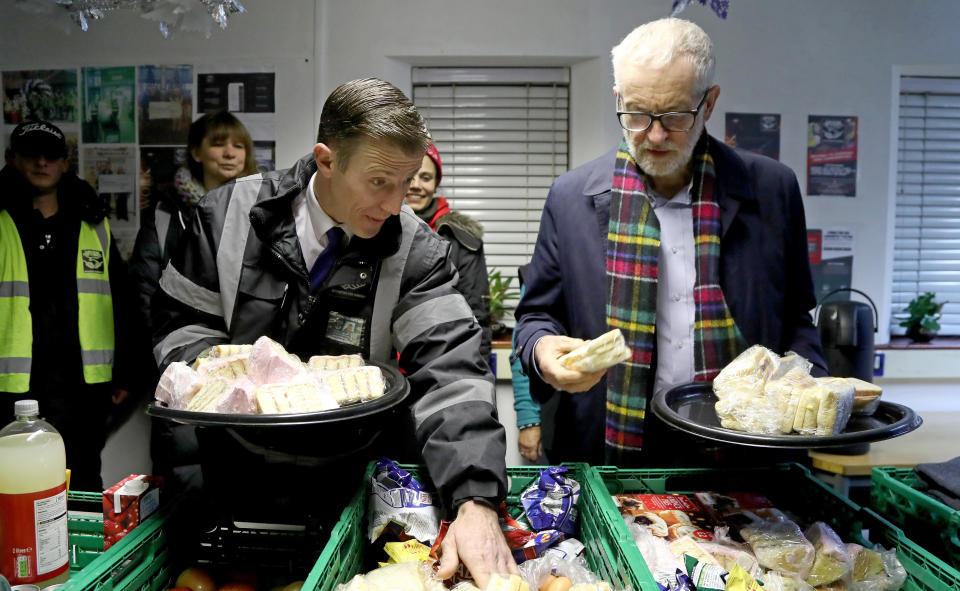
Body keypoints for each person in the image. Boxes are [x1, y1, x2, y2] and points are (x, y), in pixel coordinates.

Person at [151, 78, 516, 585]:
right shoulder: (226, 216)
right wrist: (236, 386)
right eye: (379, 182)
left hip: (352, 485)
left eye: (406, 181)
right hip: (230, 481)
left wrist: (475, 500)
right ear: (326, 160)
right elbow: (178, 327)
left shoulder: (417, 249)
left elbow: (452, 373)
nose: (395, 205)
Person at [513, 18, 826, 467]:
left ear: (709, 103)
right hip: (611, 442)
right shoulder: (570, 197)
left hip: (744, 443)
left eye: (676, 116)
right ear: (618, 99)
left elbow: (797, 316)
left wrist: (805, 384)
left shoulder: (771, 189)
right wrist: (543, 351)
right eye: (637, 114)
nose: (655, 135)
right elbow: (535, 317)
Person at [0, 120, 135, 491]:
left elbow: (120, 300)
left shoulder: (92, 223)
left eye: (51, 155)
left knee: (82, 480)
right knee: (15, 486)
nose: (41, 162)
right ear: (12, 160)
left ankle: (85, 552)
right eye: (32, 154)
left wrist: (125, 371)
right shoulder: (1, 221)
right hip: (12, 385)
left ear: (65, 163)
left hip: (80, 386)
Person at [129, 110, 259, 493]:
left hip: (243, 364)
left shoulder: (264, 212)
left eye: (239, 145)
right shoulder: (169, 215)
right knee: (181, 466)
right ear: (196, 153)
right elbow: (145, 290)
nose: (230, 153)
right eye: (219, 143)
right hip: (180, 360)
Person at [405, 144, 492, 363]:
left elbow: (477, 315)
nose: (416, 185)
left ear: (436, 184)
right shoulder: (373, 228)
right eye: (410, 176)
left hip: (443, 362)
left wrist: (479, 374)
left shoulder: (463, 239)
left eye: (425, 177)